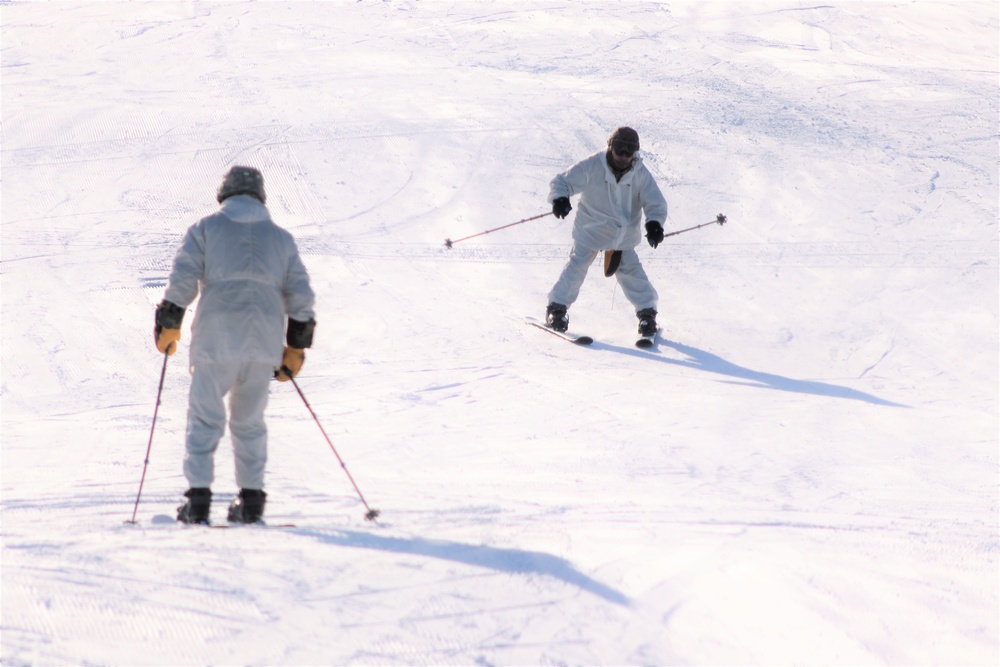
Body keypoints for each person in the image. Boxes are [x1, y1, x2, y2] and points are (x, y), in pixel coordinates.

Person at [153, 166, 316, 525]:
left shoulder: (206, 229)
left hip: (217, 340)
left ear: (223, 194)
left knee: (205, 418)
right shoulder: (281, 239)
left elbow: (183, 279)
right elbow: (300, 295)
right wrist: (295, 346)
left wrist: (169, 324)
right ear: (260, 196)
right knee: (249, 421)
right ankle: (252, 501)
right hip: (263, 343)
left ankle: (197, 502)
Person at [545, 126, 668, 336]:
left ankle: (647, 315)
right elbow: (562, 182)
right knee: (577, 265)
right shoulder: (594, 165)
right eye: (619, 148)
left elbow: (655, 203)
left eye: (629, 151)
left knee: (631, 271)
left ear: (635, 152)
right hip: (591, 230)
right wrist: (560, 199)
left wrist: (654, 224)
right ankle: (556, 310)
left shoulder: (640, 174)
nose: (623, 156)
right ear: (611, 146)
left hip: (622, 236)